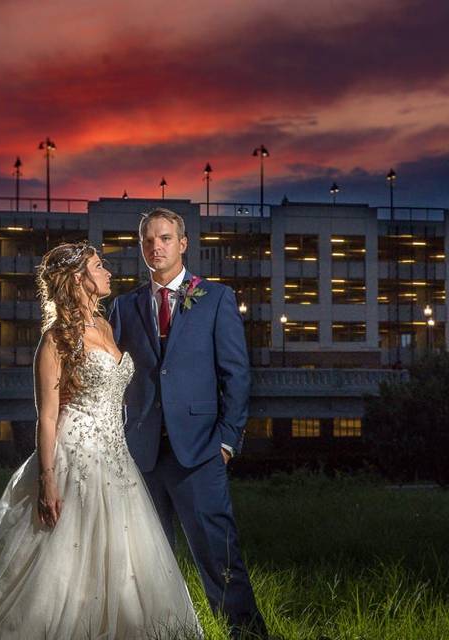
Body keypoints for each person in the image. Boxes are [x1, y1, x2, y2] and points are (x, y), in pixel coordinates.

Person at [0, 241, 203, 640]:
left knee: (124, 559)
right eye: (99, 266)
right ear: (78, 279)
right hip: (75, 456)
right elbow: (47, 416)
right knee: (67, 560)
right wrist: (47, 479)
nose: (108, 273)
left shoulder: (104, 326)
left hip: (116, 458)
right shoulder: (55, 340)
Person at [109, 208, 269, 640]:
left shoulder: (215, 299)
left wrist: (227, 442)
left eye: (164, 238)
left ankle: (248, 635)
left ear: (183, 244)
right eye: (147, 241)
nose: (155, 247)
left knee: (220, 556)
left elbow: (236, 374)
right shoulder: (123, 307)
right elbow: (116, 379)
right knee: (145, 564)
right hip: (141, 456)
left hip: (200, 452)